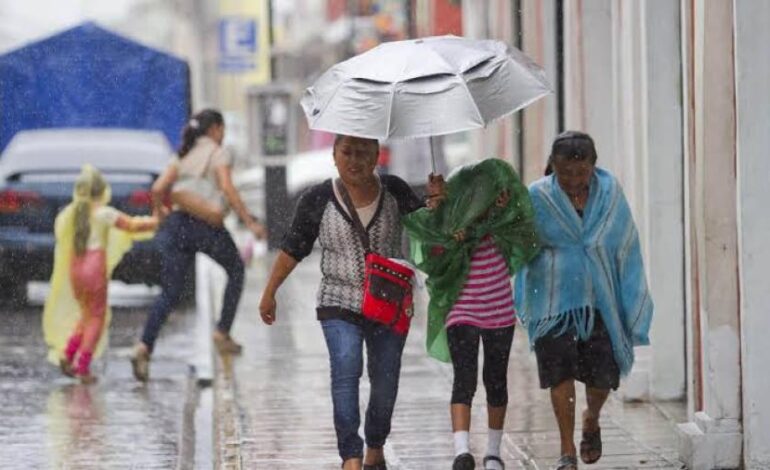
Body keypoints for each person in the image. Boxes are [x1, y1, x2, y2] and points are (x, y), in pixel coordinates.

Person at [258, 134, 445, 470]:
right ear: (333, 155)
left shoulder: (395, 191)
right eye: (347, 152)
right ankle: (351, 456)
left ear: (377, 156)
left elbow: (428, 231)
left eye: (363, 153)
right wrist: (269, 291)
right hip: (337, 301)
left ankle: (375, 445)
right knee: (346, 370)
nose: (354, 160)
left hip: (388, 304)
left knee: (385, 378)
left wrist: (435, 203)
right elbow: (293, 248)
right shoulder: (317, 198)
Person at [514, 131, 654, 470]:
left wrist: (629, 298)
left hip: (600, 299)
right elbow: (519, 244)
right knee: (559, 373)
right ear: (554, 167)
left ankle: (591, 419)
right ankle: (566, 450)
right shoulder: (537, 197)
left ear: (593, 165)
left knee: (601, 376)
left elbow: (626, 244)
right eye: (565, 173)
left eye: (581, 172)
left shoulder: (610, 194)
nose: (574, 180)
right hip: (552, 303)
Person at [403, 158, 540, 470]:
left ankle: (493, 452)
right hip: (461, 311)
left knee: (496, 380)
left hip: (500, 313)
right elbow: (431, 252)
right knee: (464, 379)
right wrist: (437, 208)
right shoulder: (451, 223)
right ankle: (461, 451)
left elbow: (524, 229)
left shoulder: (502, 222)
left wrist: (504, 206)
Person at [131, 109, 266, 382]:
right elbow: (227, 189)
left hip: (178, 225)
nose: (223, 134)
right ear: (215, 129)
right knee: (236, 270)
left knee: (169, 292)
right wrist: (249, 220)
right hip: (206, 227)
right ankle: (222, 331)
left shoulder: (182, 155)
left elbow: (158, 189)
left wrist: (160, 215)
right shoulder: (217, 152)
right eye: (222, 129)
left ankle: (144, 346)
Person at [43, 164, 158, 383]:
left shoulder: (73, 214)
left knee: (86, 314)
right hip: (95, 268)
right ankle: (82, 366)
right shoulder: (104, 213)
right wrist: (157, 221)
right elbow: (131, 225)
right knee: (97, 317)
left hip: (76, 267)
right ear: (101, 191)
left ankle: (68, 354)